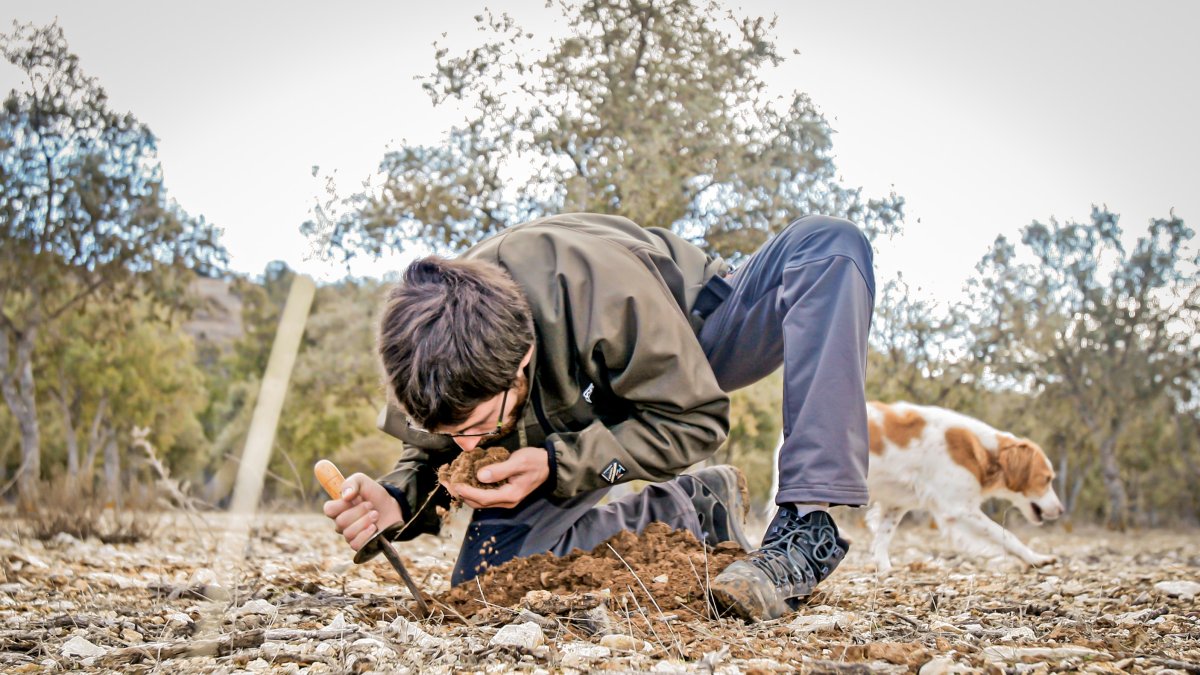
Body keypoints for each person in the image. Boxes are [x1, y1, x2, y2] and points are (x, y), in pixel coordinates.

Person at [322, 212, 875, 621]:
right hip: (570, 414)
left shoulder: (598, 288)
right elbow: (431, 449)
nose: (469, 447)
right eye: (452, 432)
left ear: (522, 359)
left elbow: (696, 422)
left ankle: (806, 524)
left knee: (827, 245)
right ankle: (694, 507)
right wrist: (397, 500)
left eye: (480, 427)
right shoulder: (430, 346)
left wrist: (557, 463)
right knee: (488, 586)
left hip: (686, 347)